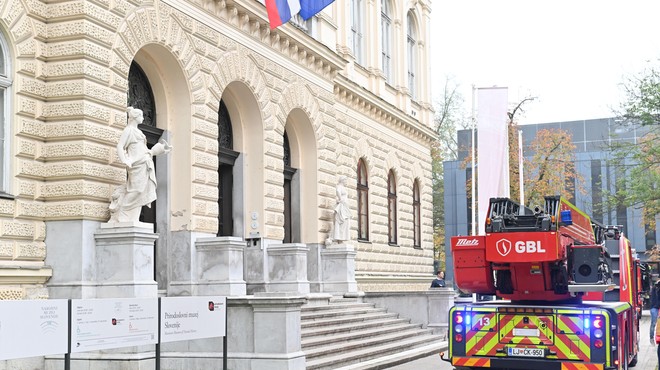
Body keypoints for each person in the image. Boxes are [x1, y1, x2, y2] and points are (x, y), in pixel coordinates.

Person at [109, 106, 171, 223]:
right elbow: (120, 146)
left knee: (142, 191)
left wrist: (158, 150)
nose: (143, 118)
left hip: (144, 162)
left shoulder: (139, 132)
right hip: (136, 164)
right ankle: (122, 213)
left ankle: (133, 218)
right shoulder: (129, 130)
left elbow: (143, 149)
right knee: (136, 190)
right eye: (141, 116)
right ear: (135, 117)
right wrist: (125, 160)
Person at [330, 176, 351, 243]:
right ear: (342, 180)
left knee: (345, 221)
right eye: (345, 180)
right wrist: (340, 199)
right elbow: (337, 191)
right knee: (341, 221)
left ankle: (341, 238)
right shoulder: (339, 186)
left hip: (345, 205)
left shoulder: (343, 187)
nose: (346, 182)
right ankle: (338, 238)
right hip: (342, 205)